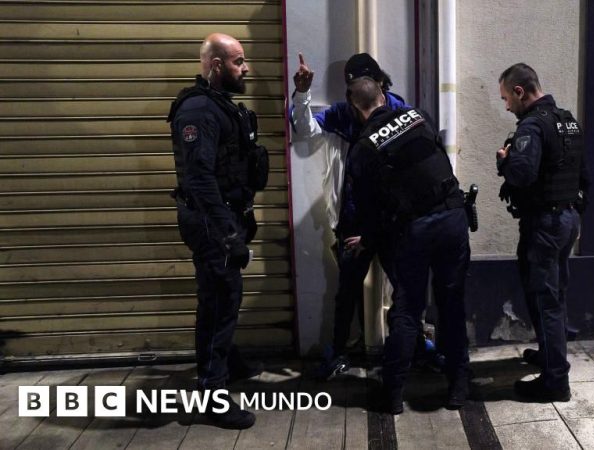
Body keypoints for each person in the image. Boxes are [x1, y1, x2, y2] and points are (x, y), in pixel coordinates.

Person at [344, 77, 471, 414]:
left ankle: (393, 395)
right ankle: (458, 388)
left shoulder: (362, 148)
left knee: (408, 309)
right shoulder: (418, 116)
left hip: (415, 229)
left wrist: (368, 240)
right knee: (451, 304)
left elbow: (369, 209)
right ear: (383, 97)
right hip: (452, 217)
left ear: (355, 108)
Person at [167, 33, 270, 429]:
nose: (246, 69)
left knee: (226, 296)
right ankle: (212, 392)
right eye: (238, 61)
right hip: (212, 224)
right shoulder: (198, 111)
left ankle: (227, 361)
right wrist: (227, 232)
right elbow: (199, 178)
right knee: (217, 303)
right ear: (215, 65)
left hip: (225, 219)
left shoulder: (219, 105)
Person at [291, 53, 412, 378]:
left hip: (390, 220)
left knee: (404, 287)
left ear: (380, 85)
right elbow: (304, 131)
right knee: (347, 291)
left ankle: (409, 347)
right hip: (353, 219)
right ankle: (339, 351)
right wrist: (302, 94)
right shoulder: (343, 114)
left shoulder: (400, 113)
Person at [496, 63, 587, 403]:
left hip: (545, 224)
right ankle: (551, 356)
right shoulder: (567, 120)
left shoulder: (532, 126)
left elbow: (521, 174)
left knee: (545, 300)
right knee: (554, 295)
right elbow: (584, 175)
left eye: (506, 98)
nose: (507, 106)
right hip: (567, 219)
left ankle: (555, 381)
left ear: (520, 91)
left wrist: (504, 161)